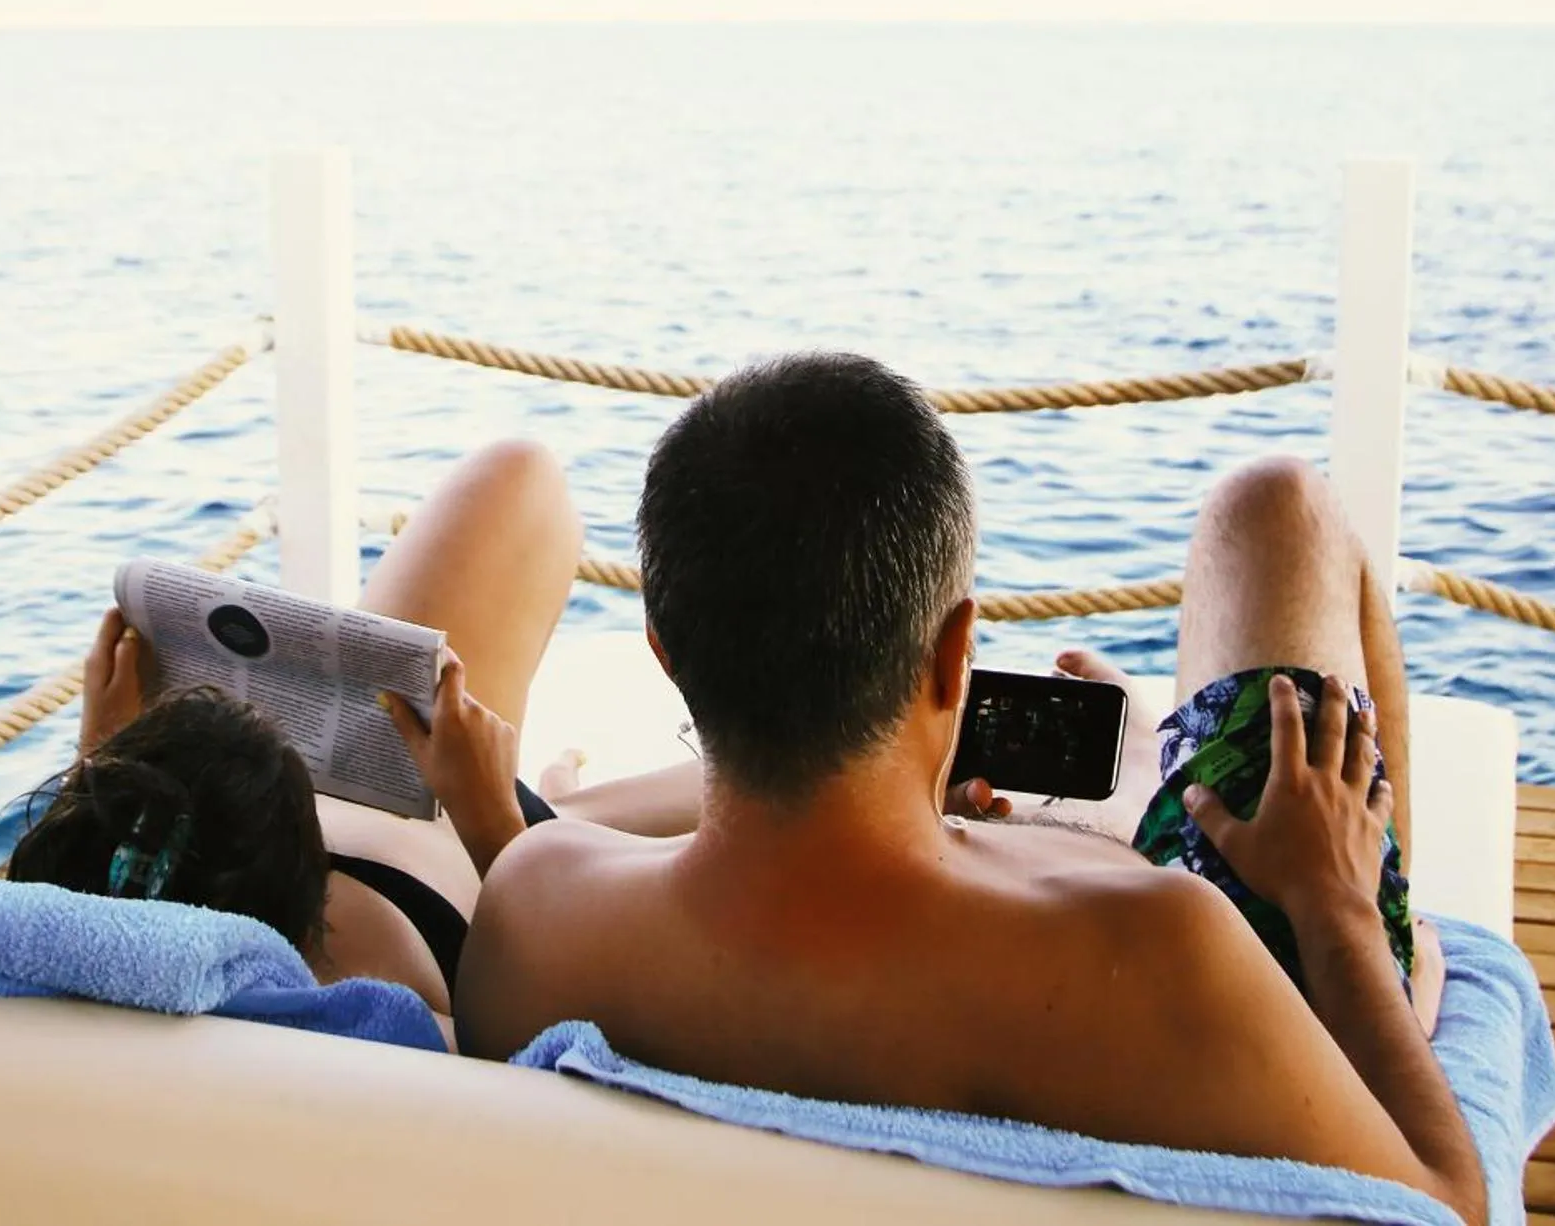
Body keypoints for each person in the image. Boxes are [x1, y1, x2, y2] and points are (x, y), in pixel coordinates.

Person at [457, 354, 1484, 1225]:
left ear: (666, 655)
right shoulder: (1163, 947)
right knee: (1279, 506)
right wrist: (1341, 909)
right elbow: (1442, 1205)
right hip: (1227, 944)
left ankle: (1134, 785)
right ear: (956, 656)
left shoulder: (533, 910)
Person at [5, 439, 700, 1041]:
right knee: (749, 788)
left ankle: (574, 812)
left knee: (513, 476)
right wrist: (494, 822)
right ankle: (571, 815)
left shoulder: (75, 913)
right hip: (498, 846)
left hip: (429, 818)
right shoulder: (386, 1010)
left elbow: (78, 899)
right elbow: (579, 1030)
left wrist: (103, 767)